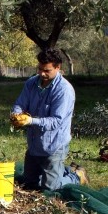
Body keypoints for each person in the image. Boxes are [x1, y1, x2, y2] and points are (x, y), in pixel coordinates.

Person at [10, 48, 89, 191]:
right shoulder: (31, 83)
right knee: (29, 184)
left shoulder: (64, 90)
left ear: (58, 68)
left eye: (47, 70)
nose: (41, 73)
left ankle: (77, 176)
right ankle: (61, 171)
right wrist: (16, 114)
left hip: (54, 146)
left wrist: (30, 121)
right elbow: (20, 103)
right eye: (40, 69)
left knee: (50, 188)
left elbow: (56, 121)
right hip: (35, 145)